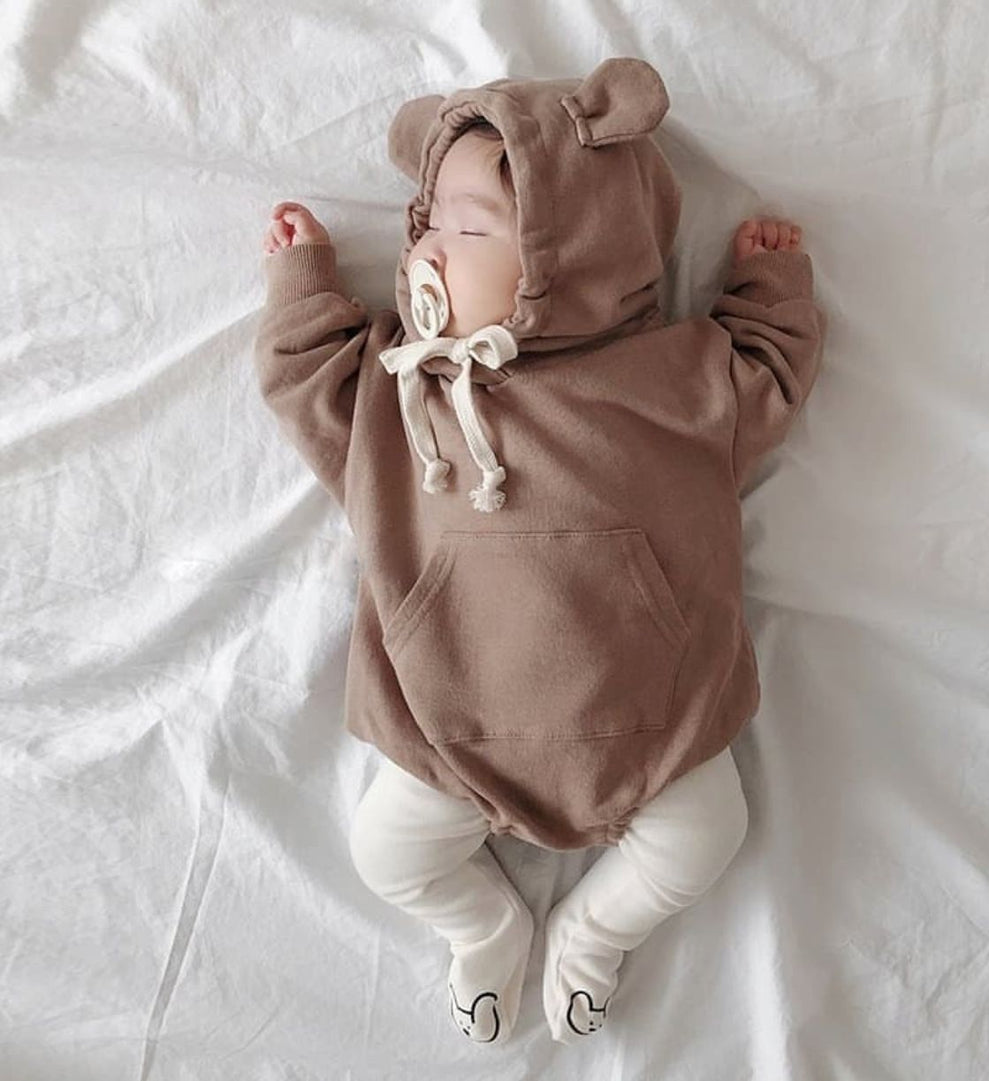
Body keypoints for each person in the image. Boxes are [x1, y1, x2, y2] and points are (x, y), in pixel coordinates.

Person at [255, 57, 824, 1046]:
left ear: (580, 252)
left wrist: (769, 288)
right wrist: (303, 287)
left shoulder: (672, 380)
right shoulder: (402, 390)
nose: (429, 250)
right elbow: (309, 383)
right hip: (452, 730)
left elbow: (765, 373)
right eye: (425, 225)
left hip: (653, 732)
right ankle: (483, 926)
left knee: (708, 836)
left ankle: (594, 933)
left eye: (468, 230)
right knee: (386, 856)